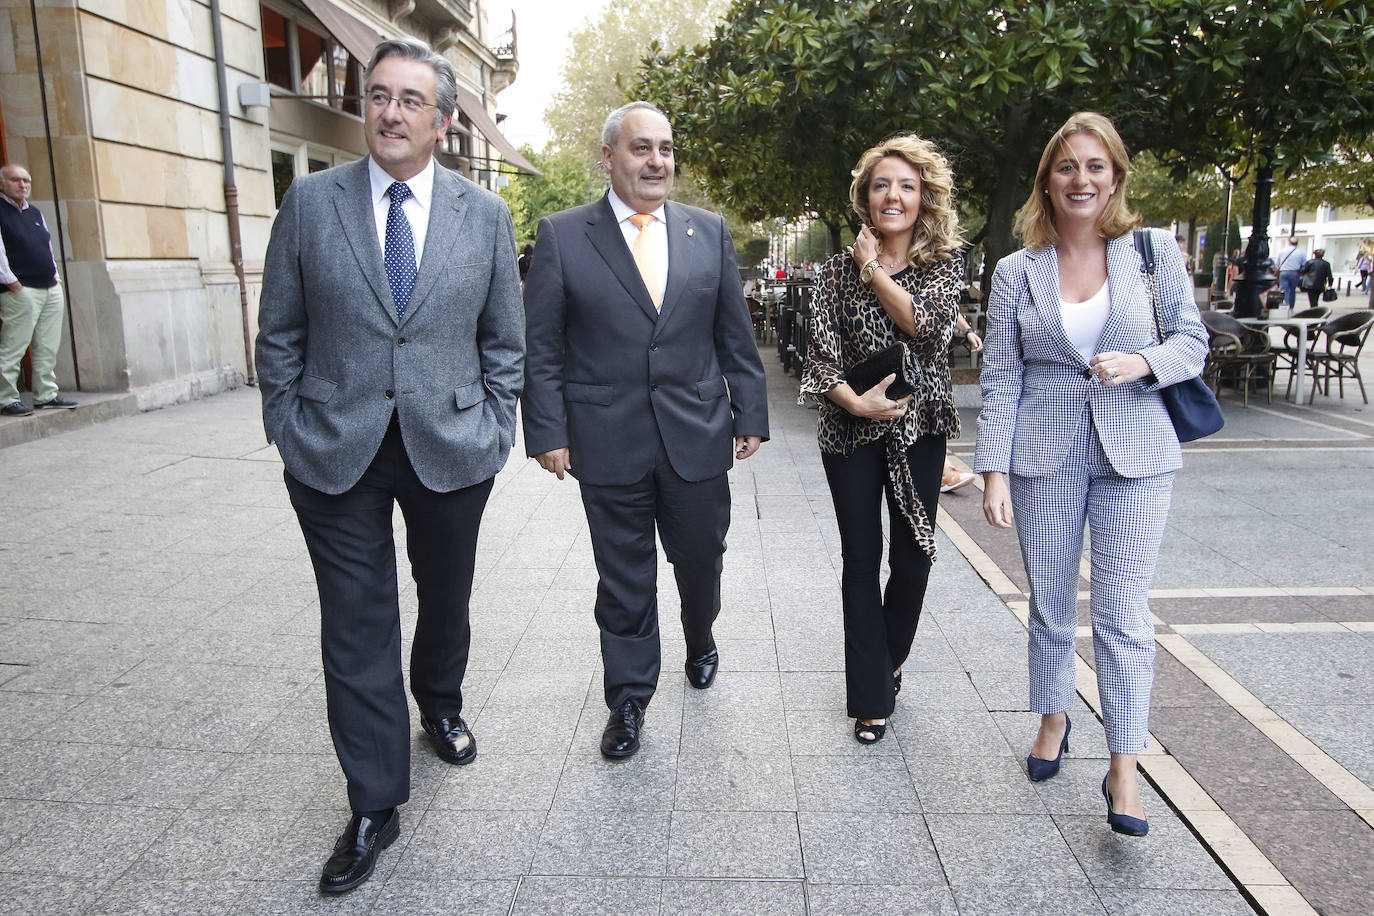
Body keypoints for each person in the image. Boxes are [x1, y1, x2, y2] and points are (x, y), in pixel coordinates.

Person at [255, 37, 524, 894]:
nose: (391, 112)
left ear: (442, 123)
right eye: (379, 95)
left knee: (444, 595)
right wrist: (287, 424)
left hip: (451, 443)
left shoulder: (484, 215)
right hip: (334, 446)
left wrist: (496, 424)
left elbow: (504, 339)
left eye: (411, 100)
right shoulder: (311, 203)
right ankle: (375, 801)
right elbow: (280, 329)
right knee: (356, 620)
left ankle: (438, 701)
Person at [974, 112, 1208, 837]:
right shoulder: (1016, 272)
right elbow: (1002, 375)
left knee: (1123, 614)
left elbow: (1192, 342)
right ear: (1048, 180)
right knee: (1049, 601)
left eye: (1095, 166)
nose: (1081, 179)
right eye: (1067, 166)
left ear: (1115, 178)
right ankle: (1054, 716)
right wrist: (993, 469)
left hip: (1135, 451)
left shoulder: (1151, 252)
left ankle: (1124, 766)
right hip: (1044, 454)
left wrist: (1143, 362)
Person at [522, 101, 768, 760]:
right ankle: (628, 699)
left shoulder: (707, 232)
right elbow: (541, 345)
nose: (657, 161)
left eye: (665, 148)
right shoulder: (563, 235)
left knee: (701, 557)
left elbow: (733, 334)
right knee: (623, 577)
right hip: (606, 438)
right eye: (641, 148)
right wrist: (546, 430)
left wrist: (750, 411)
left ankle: (701, 633)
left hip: (697, 431)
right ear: (609, 157)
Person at [799, 134, 963, 744]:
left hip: (920, 429)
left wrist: (872, 269)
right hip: (847, 432)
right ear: (865, 196)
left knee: (914, 556)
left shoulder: (944, 265)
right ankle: (871, 696)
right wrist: (854, 401)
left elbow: (927, 329)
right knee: (860, 558)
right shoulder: (832, 273)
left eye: (906, 186)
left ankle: (888, 660)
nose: (892, 196)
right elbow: (819, 355)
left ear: (924, 198)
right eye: (881, 185)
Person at [0, 164, 77, 417]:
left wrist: (55, 276)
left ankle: (46, 395)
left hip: (49, 287)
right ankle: (6, 399)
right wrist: (12, 283)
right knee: (14, 347)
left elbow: (47, 245)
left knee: (47, 346)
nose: (22, 184)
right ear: (2, 183)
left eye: (26, 180)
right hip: (20, 289)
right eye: (15, 179)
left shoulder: (34, 212)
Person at [1273, 234, 1305, 308]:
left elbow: (1277, 264)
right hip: (1295, 273)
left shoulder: (1282, 251)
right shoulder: (1301, 252)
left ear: (1289, 242)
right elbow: (1304, 264)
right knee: (1292, 290)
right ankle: (1291, 306)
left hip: (1283, 272)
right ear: (1297, 243)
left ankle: (1283, 305)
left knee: (1283, 289)